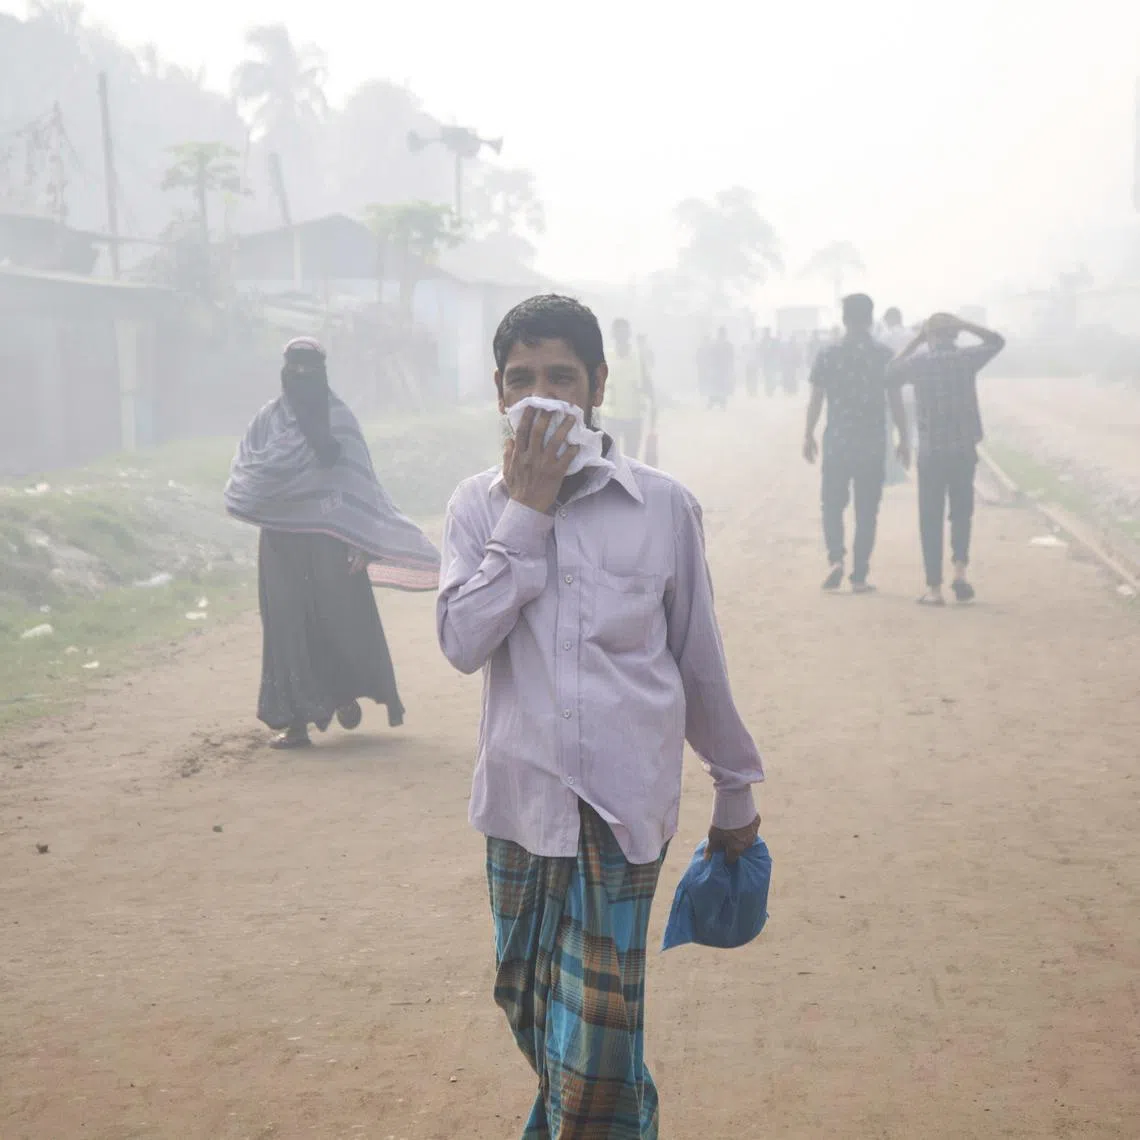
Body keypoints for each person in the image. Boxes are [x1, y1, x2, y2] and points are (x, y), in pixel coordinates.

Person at [437, 295, 764, 1139]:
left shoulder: (662, 507)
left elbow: (699, 660)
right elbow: (463, 641)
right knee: (535, 1008)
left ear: (598, 387)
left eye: (560, 378)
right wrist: (528, 512)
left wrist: (736, 789)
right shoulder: (476, 509)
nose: (540, 398)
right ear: (498, 395)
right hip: (519, 802)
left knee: (590, 1049)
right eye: (520, 382)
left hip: (622, 809)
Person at [225, 337, 440, 749]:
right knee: (287, 629)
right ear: (285, 373)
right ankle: (298, 722)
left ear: (321, 374)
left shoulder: (339, 422)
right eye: (295, 371)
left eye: (310, 371)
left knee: (336, 623)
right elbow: (249, 471)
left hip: (329, 543)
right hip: (282, 546)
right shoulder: (268, 421)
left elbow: (361, 486)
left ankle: (341, 695)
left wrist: (363, 542)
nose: (302, 379)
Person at [888, 313, 1006, 605]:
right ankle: (960, 572)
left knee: (930, 517)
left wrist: (917, 340)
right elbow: (997, 341)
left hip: (931, 451)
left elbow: (889, 373)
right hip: (963, 450)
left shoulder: (919, 363)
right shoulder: (965, 359)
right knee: (961, 513)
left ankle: (934, 588)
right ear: (954, 335)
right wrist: (966, 324)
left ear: (929, 337)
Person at [804, 295, 910, 593]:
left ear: (844, 319)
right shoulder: (884, 355)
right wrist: (903, 438)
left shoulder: (828, 354)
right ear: (870, 318)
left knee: (832, 505)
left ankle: (836, 559)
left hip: (837, 442)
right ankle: (860, 576)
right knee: (866, 510)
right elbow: (896, 402)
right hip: (872, 443)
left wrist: (808, 433)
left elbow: (816, 400)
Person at [602, 318, 651, 459]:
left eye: (624, 332)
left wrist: (653, 417)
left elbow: (648, 385)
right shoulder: (605, 357)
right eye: (618, 332)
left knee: (631, 457)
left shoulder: (639, 358)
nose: (621, 336)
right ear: (613, 335)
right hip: (611, 416)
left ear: (629, 334)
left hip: (634, 416)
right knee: (610, 457)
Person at [880, 307, 913, 485]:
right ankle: (907, 466)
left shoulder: (884, 338)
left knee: (887, 434)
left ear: (888, 320)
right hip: (912, 392)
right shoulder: (912, 337)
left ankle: (893, 472)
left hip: (891, 394)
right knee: (908, 432)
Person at [708, 325, 735, 409]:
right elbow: (731, 357)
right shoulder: (725, 344)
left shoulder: (717, 344)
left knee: (718, 386)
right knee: (719, 386)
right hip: (720, 368)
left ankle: (717, 403)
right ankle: (719, 403)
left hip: (721, 368)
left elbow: (731, 357)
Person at [760, 328, 780, 396]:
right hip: (766, 362)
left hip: (772, 361)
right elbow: (761, 351)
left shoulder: (773, 341)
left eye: (767, 332)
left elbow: (776, 351)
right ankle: (768, 391)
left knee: (771, 376)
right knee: (767, 376)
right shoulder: (763, 341)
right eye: (765, 332)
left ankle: (771, 389)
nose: (766, 334)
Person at [744, 328, 761, 397]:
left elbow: (744, 351)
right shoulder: (756, 343)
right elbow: (759, 353)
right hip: (753, 363)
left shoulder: (748, 343)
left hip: (749, 363)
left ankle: (750, 391)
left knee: (750, 378)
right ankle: (753, 391)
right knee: (753, 378)